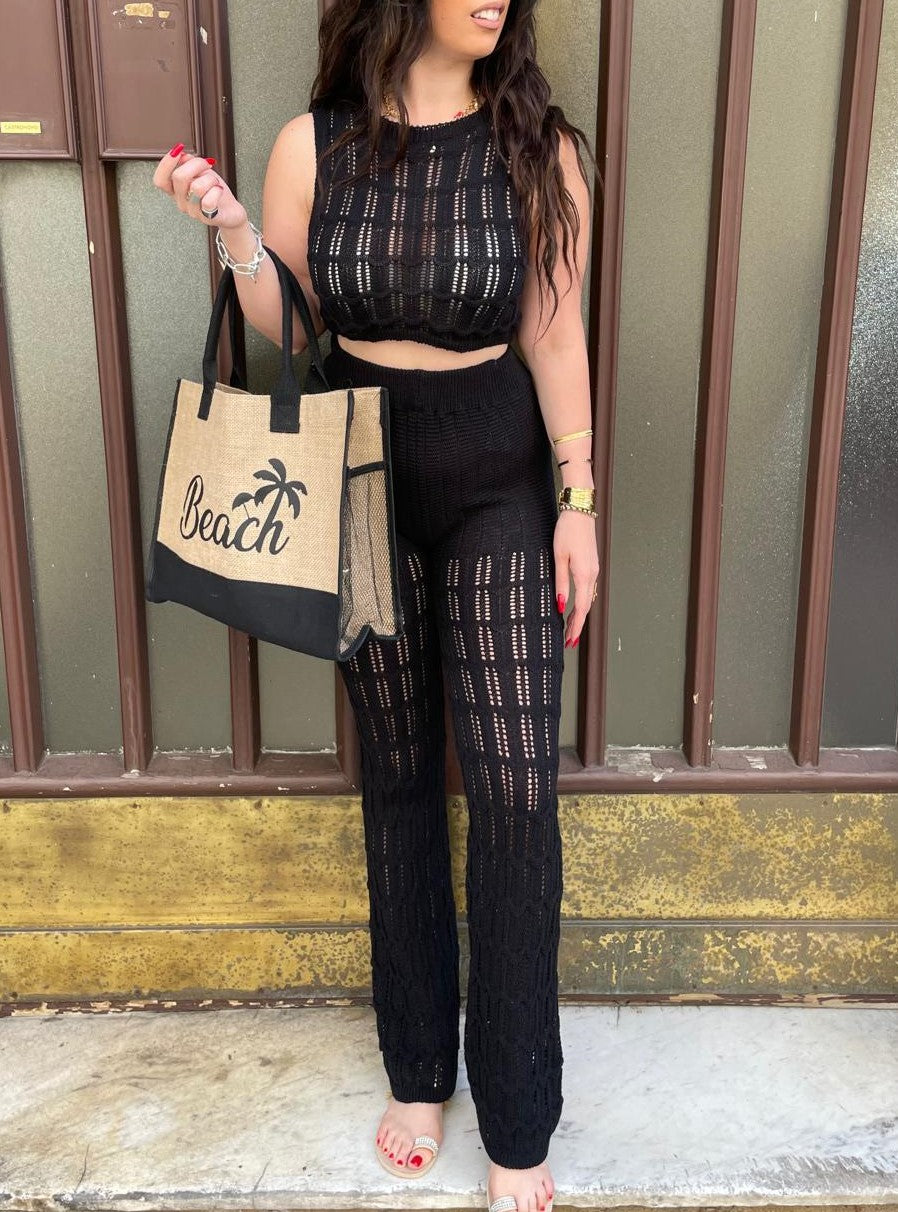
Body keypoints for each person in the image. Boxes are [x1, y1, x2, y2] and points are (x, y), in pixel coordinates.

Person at [153, 2, 602, 1208]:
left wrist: (577, 498)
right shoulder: (317, 144)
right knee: (397, 778)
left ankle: (518, 1113)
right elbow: (293, 322)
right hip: (357, 479)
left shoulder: (537, 144)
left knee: (516, 792)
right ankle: (417, 1071)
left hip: (498, 482)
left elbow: (554, 333)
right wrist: (238, 236)